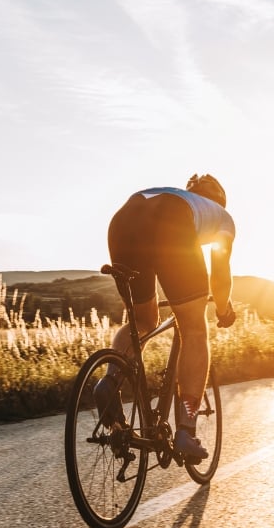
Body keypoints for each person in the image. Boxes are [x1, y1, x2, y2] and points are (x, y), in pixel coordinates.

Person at [95, 174, 236, 462]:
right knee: (194, 329)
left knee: (143, 322)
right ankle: (186, 430)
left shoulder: (174, 195)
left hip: (123, 221)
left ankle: (109, 381)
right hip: (172, 223)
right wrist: (224, 310)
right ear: (219, 200)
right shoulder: (222, 217)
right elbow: (220, 272)